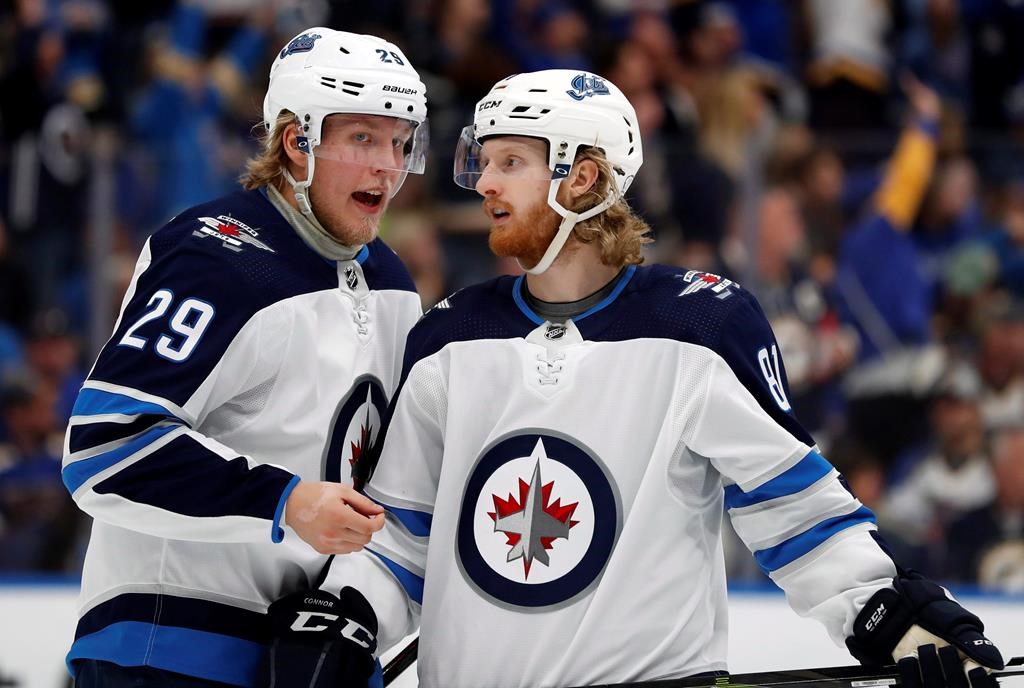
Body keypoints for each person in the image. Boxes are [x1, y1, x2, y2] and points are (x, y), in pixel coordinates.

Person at [285, 70, 1004, 688]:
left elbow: (798, 516)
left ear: (582, 176)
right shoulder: (449, 336)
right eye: (485, 161)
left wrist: (895, 622)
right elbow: (402, 537)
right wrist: (347, 617)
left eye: (509, 161)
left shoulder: (700, 326)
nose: (485, 184)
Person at [61, 28, 427, 688]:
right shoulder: (217, 256)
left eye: (401, 142)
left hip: (306, 655)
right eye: (363, 139)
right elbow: (103, 449)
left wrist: (350, 607)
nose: (388, 166)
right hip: (168, 645)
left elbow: (386, 482)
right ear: (297, 142)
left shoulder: (394, 285)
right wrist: (283, 503)